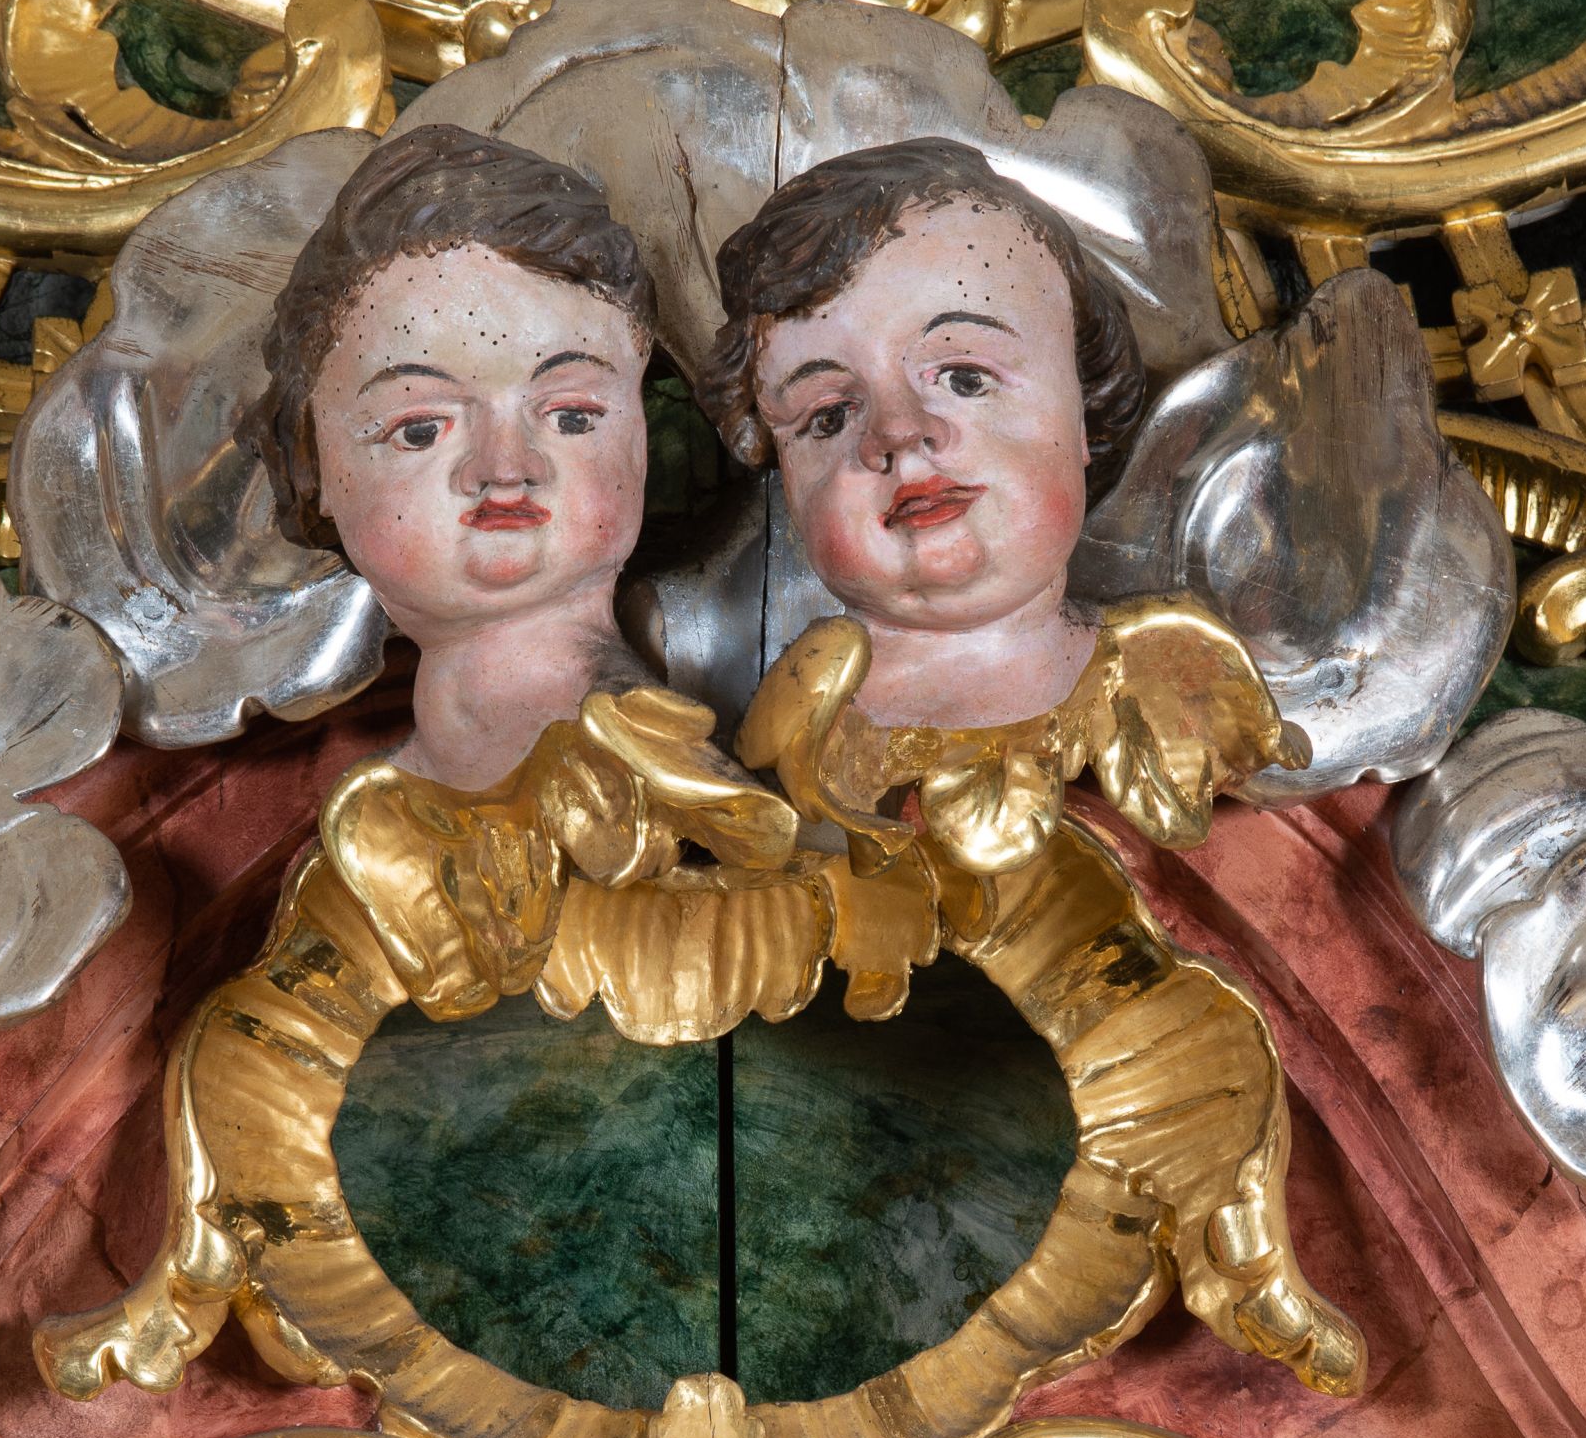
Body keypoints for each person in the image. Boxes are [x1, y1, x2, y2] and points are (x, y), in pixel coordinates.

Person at [253, 123, 792, 1011]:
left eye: (571, 416)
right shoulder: (363, 827)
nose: (506, 467)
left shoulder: (674, 789)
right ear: (313, 470)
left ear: (643, 439)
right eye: (421, 428)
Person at [714, 138, 1302, 874]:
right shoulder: (805, 715)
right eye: (829, 415)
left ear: (1082, 411)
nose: (898, 432)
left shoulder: (1173, 678)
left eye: (965, 378)